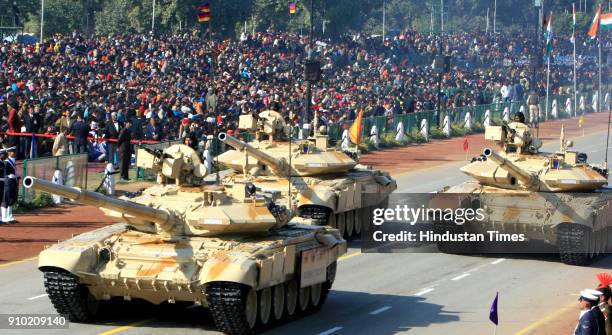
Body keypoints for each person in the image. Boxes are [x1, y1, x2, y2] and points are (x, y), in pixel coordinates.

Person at [1, 147, 19, 224]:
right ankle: (5, 218)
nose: (14, 153)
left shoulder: (13, 161)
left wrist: (16, 177)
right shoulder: (6, 162)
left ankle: (10, 217)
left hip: (12, 182)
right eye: (12, 151)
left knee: (12, 199)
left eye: (15, 151)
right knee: (6, 199)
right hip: (7, 182)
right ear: (8, 153)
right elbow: (4, 173)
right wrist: (8, 176)